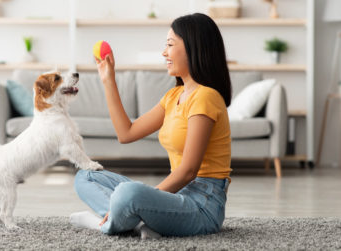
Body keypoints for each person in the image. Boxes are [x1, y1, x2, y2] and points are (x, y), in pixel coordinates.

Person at [70, 13, 232, 239]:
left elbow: (188, 171)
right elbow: (126, 134)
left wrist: (142, 198)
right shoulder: (173, 95)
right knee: (86, 176)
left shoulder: (205, 97)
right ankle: (140, 224)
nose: (164, 52)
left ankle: (101, 223)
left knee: (129, 193)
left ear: (194, 48)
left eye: (170, 45)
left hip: (202, 206)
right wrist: (108, 80)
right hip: (176, 197)